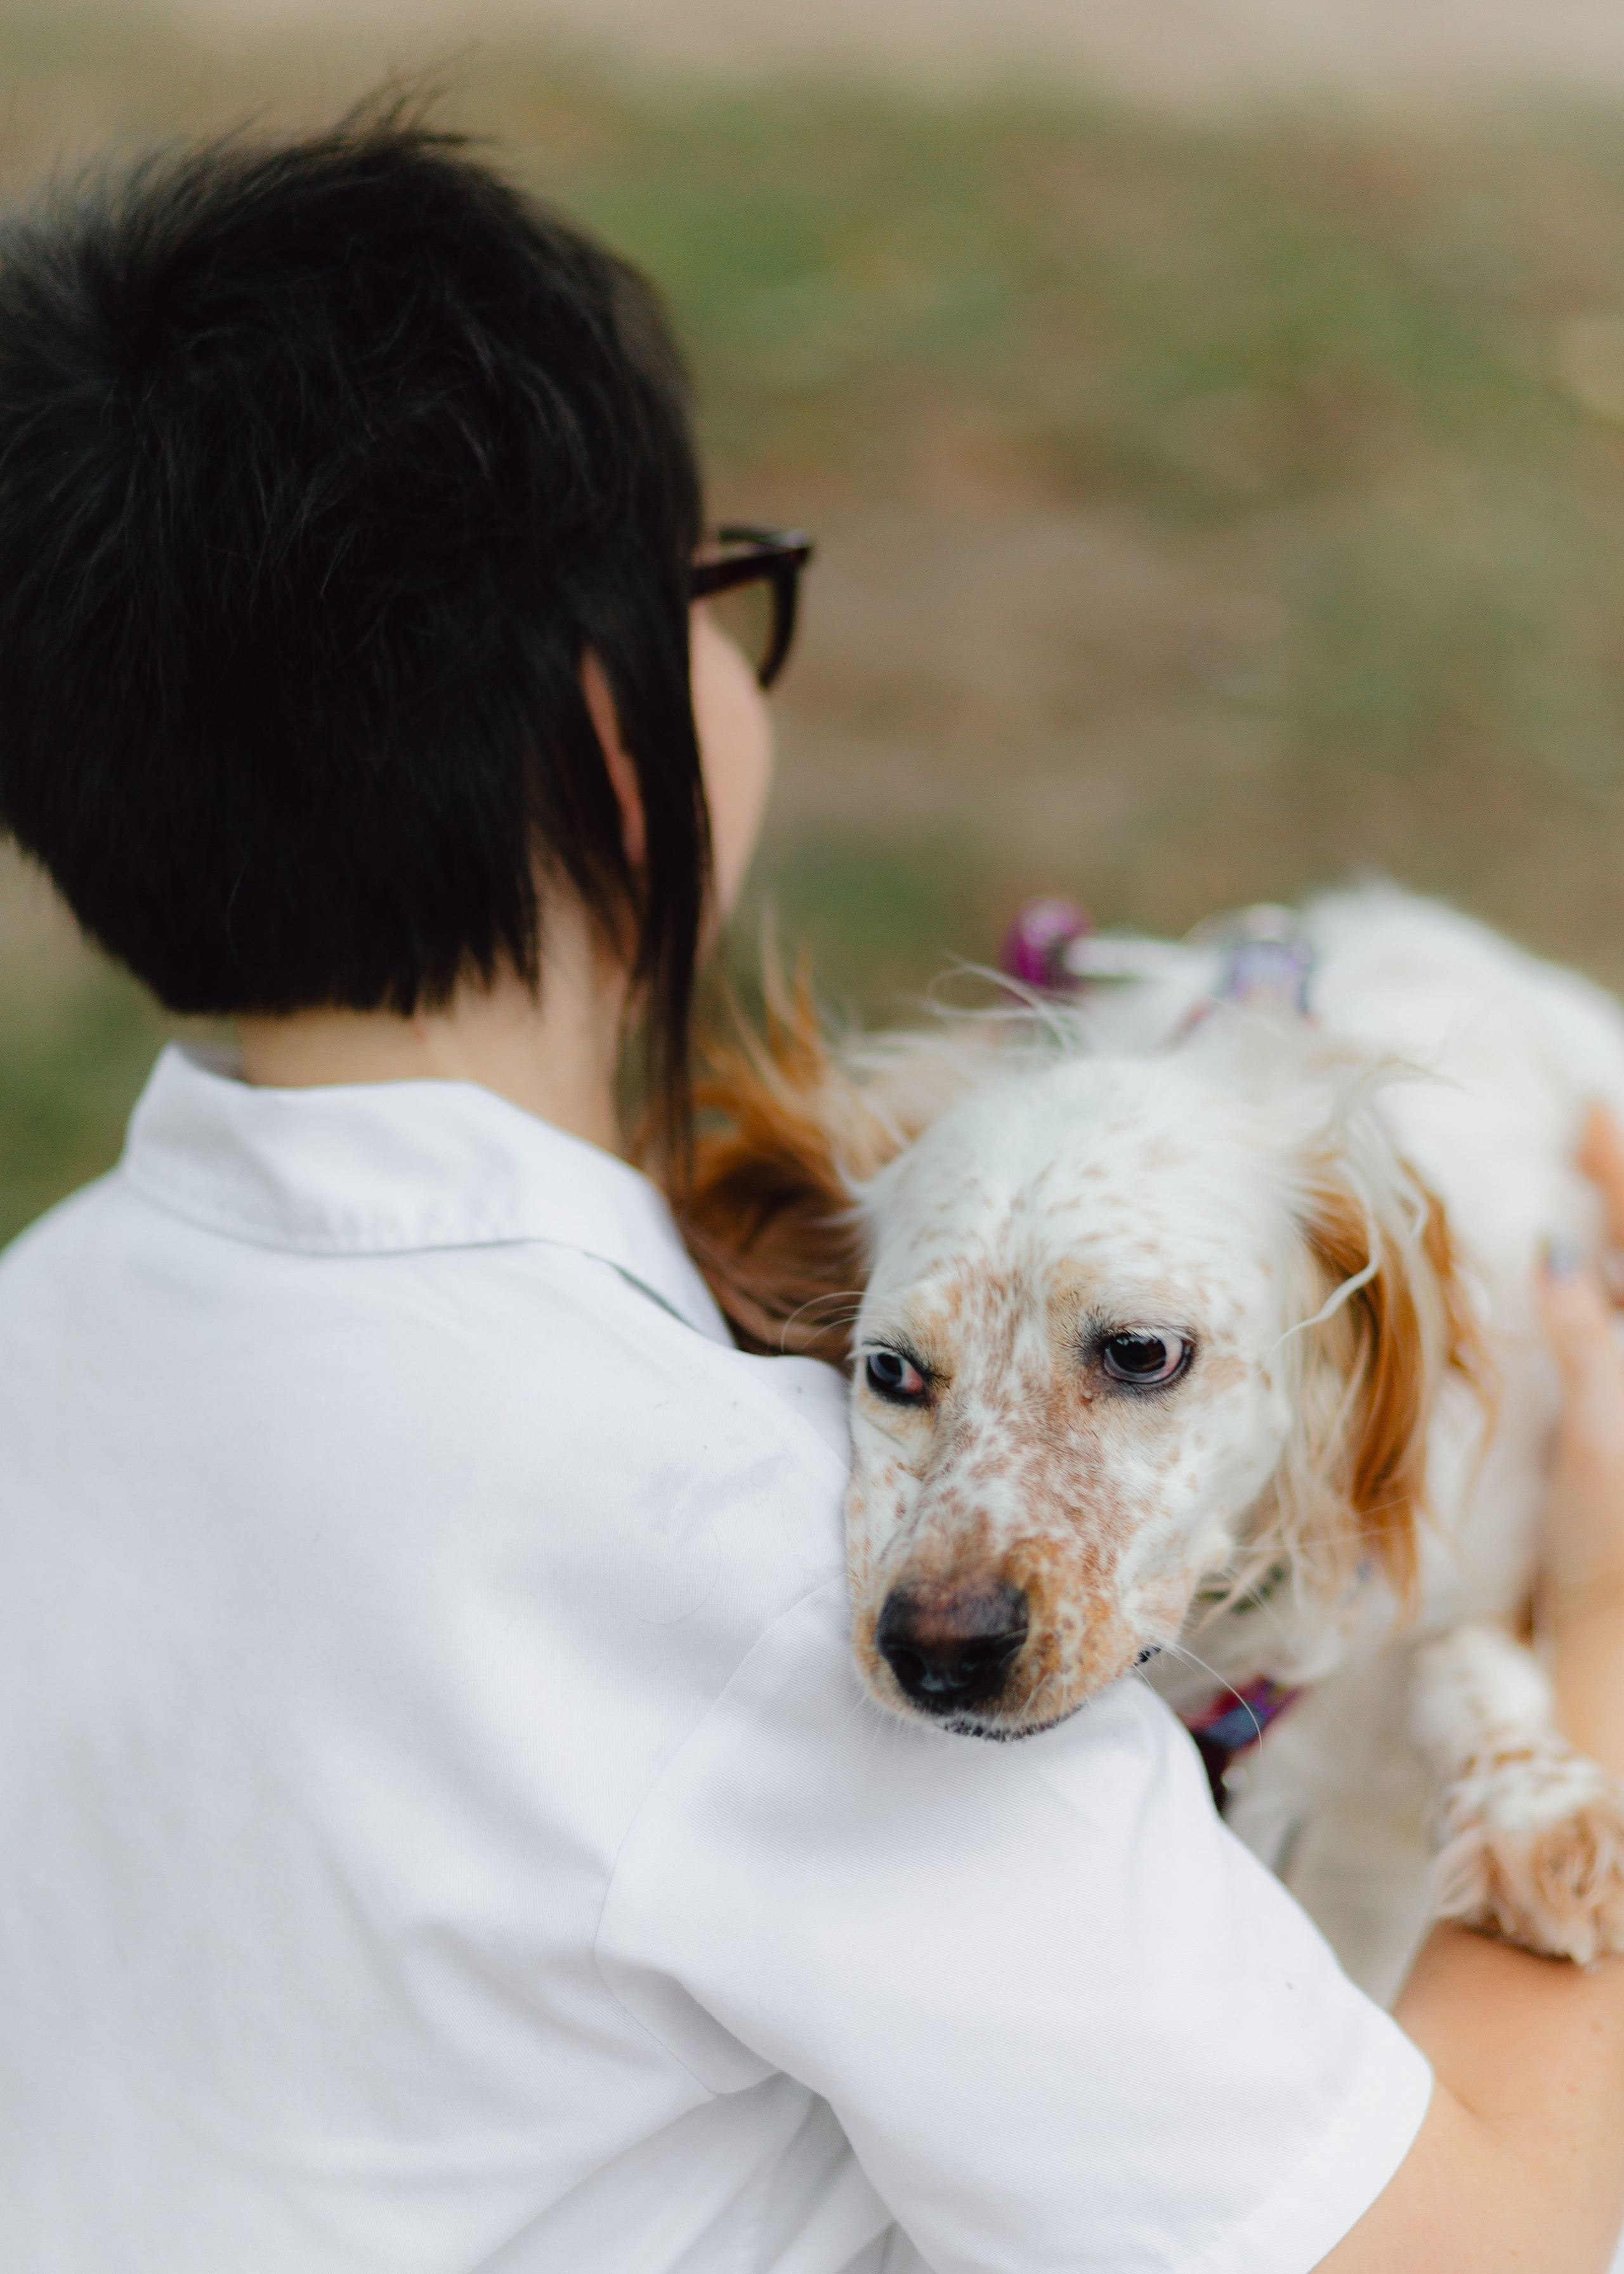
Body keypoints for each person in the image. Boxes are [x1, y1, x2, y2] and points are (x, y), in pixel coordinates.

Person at [1, 103, 1623, 2274]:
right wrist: (1604, 1640)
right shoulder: (781, 1585)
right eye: (709, 591)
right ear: (612, 740)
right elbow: (1479, 2243)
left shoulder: (42, 1333)